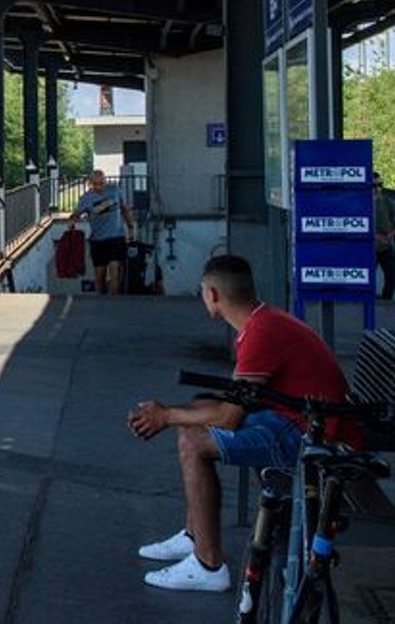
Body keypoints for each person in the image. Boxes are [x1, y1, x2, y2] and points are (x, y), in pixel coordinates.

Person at [127, 255, 358, 592]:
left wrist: (165, 415)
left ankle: (207, 565)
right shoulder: (263, 322)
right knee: (197, 411)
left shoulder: (261, 334)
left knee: (193, 442)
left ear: (213, 294)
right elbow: (232, 403)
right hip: (302, 422)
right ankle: (194, 536)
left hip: (316, 440)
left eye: (203, 291)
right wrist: (172, 413)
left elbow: (228, 418)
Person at [70, 170, 134, 294]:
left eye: (101, 183)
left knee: (115, 271)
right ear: (90, 184)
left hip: (116, 236)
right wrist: (72, 220)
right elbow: (76, 214)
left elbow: (124, 208)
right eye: (95, 184)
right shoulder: (86, 198)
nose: (99, 187)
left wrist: (130, 227)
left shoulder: (115, 190)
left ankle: (113, 301)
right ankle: (100, 300)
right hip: (98, 240)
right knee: (100, 276)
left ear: (105, 181)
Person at [375, 172, 395, 301]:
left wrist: (390, 235)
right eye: (373, 186)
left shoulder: (388, 202)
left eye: (380, 185)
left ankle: (386, 301)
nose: (377, 188)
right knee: (365, 276)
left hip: (386, 245)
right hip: (368, 246)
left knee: (391, 275)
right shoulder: (360, 204)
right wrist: (375, 237)